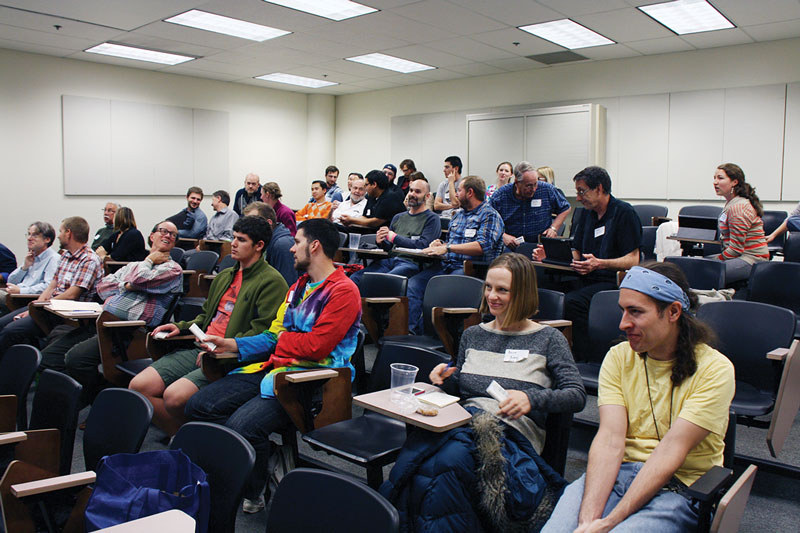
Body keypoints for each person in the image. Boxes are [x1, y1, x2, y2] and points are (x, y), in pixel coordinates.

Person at [382, 253, 585, 531]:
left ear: (523, 293)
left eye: (503, 290)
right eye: (488, 287)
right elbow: (463, 389)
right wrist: (444, 379)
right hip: (463, 424)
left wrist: (531, 398)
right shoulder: (473, 334)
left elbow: (576, 395)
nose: (492, 296)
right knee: (423, 461)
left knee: (444, 463)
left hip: (510, 438)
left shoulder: (549, 339)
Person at [543, 262, 735, 533]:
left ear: (673, 312)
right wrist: (588, 520)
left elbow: (670, 453)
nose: (623, 323)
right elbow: (610, 441)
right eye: (623, 310)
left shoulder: (715, 369)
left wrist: (609, 522)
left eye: (636, 312)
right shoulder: (619, 357)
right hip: (618, 476)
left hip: (678, 489)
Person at [186, 218, 362, 513]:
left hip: (311, 380)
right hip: (276, 370)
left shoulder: (343, 292)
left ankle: (253, 488)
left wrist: (282, 340)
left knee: (240, 427)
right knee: (198, 406)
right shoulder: (298, 287)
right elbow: (273, 335)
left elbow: (316, 347)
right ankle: (268, 460)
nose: (291, 249)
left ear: (314, 246)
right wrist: (231, 344)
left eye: (297, 242)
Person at [128, 216, 287, 436]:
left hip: (227, 357)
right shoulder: (225, 276)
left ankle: (194, 442)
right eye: (233, 238)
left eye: (241, 240)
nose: (233, 244)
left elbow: (262, 334)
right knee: (139, 386)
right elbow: (204, 318)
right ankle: (184, 437)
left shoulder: (271, 281)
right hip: (200, 346)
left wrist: (223, 349)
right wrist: (180, 327)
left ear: (259, 245)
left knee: (174, 397)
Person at [42, 222, 184, 406]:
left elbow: (140, 279)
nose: (168, 236)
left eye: (173, 234)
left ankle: (99, 396)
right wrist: (127, 285)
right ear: (152, 236)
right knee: (50, 356)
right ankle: (90, 394)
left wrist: (146, 265)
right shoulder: (134, 264)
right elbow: (103, 287)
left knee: (76, 359)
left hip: (129, 332)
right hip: (103, 322)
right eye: (163, 231)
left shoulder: (173, 270)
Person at [533, 166, 641, 358]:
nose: (579, 197)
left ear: (599, 189)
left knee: (574, 301)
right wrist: (550, 255)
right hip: (583, 275)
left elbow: (633, 259)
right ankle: (546, 353)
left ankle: (583, 357)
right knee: (541, 289)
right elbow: (577, 251)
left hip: (610, 280)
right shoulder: (585, 214)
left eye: (582, 192)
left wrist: (600, 263)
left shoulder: (624, 213)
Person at [407, 176, 504, 334]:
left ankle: (441, 337)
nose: (456, 194)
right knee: (414, 284)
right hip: (447, 265)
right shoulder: (458, 215)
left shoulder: (489, 215)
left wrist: (448, 248)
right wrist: (440, 244)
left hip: (472, 270)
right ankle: (412, 334)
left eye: (459, 190)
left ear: (470, 192)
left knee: (442, 287)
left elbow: (483, 246)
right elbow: (450, 243)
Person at [0, 217, 103, 360]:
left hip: (65, 315)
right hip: (47, 308)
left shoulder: (89, 259)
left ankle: (13, 373)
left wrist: (39, 307)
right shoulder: (66, 255)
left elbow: (71, 295)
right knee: (3, 324)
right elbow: (51, 286)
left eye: (60, 231)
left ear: (69, 233)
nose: (58, 236)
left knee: (11, 331)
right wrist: (35, 308)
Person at [349, 177, 441, 287]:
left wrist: (395, 238)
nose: (412, 194)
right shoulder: (398, 217)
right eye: (411, 190)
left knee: (382, 282)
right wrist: (381, 241)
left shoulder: (432, 218)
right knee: (356, 278)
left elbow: (424, 245)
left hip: (412, 263)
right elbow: (390, 246)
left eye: (418, 192)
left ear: (427, 196)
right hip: (391, 260)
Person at [490, 161, 571, 250]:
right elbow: (488, 219)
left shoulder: (546, 189)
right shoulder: (501, 195)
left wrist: (553, 228)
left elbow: (565, 208)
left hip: (539, 244)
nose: (533, 189)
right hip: (511, 245)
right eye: (528, 185)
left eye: (535, 184)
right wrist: (503, 236)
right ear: (517, 182)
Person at [711, 163, 769, 283]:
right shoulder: (732, 203)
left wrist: (715, 260)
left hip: (751, 259)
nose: (715, 182)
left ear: (734, 182)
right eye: (714, 178)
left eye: (720, 178)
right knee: (701, 264)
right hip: (740, 257)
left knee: (706, 271)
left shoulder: (738, 207)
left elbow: (736, 249)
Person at [1, 222, 58, 315]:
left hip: (28, 300)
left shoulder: (53, 259)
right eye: (29, 234)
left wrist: (21, 291)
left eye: (35, 235)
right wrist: (24, 267)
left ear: (47, 239)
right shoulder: (32, 256)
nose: (29, 238)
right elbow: (11, 281)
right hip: (15, 295)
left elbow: (48, 286)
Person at [243, 202, 298, 286]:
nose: (247, 227)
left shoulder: (282, 245)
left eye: (252, 222)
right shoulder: (264, 240)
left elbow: (287, 285)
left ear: (268, 223)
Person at [339, 170, 405, 229]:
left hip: (387, 232)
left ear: (374, 184)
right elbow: (365, 217)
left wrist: (352, 220)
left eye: (366, 185)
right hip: (372, 229)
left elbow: (376, 222)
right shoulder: (371, 196)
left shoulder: (390, 197)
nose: (365, 188)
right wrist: (349, 220)